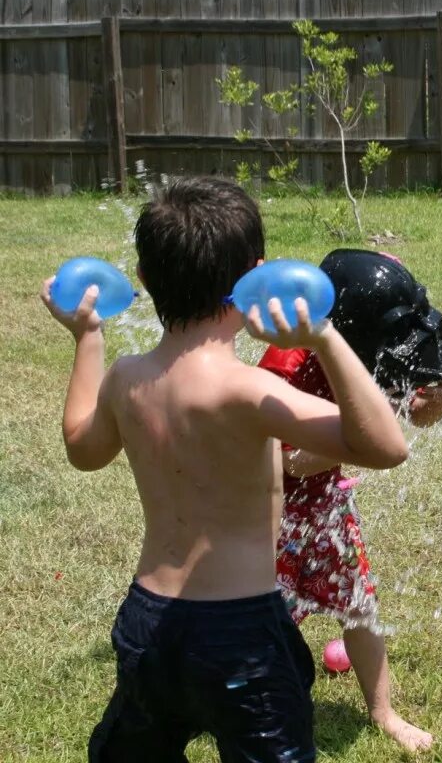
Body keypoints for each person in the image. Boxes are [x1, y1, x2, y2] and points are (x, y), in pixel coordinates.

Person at [40, 178, 408, 763]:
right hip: (242, 636)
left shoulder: (127, 378)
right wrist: (325, 337)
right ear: (253, 279)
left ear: (145, 277)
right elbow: (386, 445)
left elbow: (83, 451)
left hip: (149, 622)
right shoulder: (248, 390)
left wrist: (88, 337)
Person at [258, 249, 442, 752]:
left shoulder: (377, 349)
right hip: (268, 514)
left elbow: (416, 418)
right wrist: (354, 442)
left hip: (326, 503)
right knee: (260, 623)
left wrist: (440, 397)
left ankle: (384, 712)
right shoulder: (284, 365)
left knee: (358, 607)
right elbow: (284, 462)